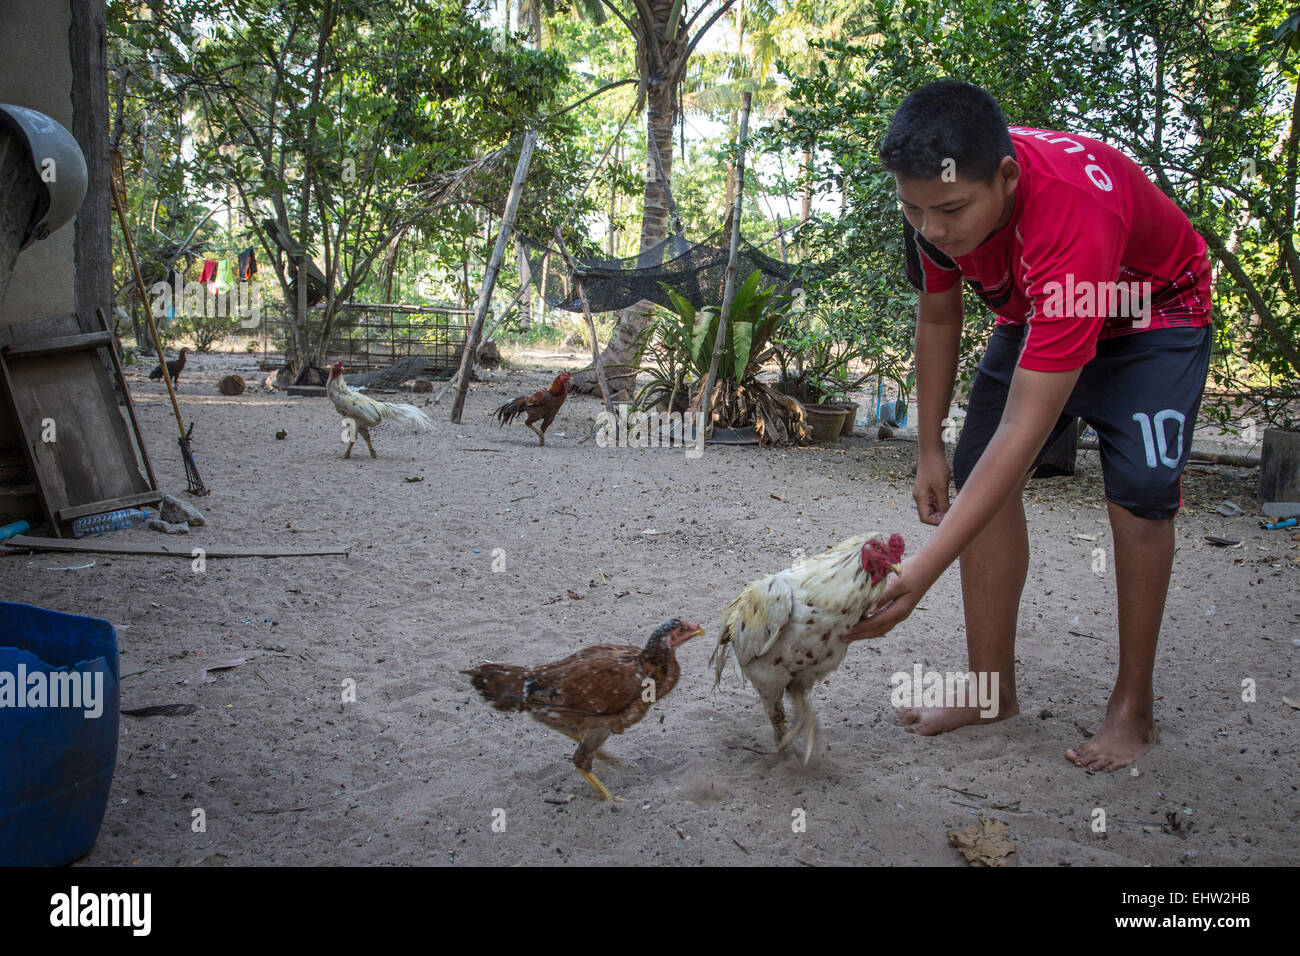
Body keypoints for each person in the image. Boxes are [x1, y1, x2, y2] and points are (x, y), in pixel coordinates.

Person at [844, 80, 1213, 772]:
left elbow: (1024, 427)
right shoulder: (931, 201)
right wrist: (928, 448)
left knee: (1140, 498)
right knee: (980, 476)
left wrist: (920, 573)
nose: (932, 229)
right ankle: (991, 691)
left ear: (1006, 179)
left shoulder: (1072, 214)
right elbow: (938, 315)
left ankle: (1133, 705)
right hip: (1040, 308)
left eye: (951, 210)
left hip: (1153, 312)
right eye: (913, 208)